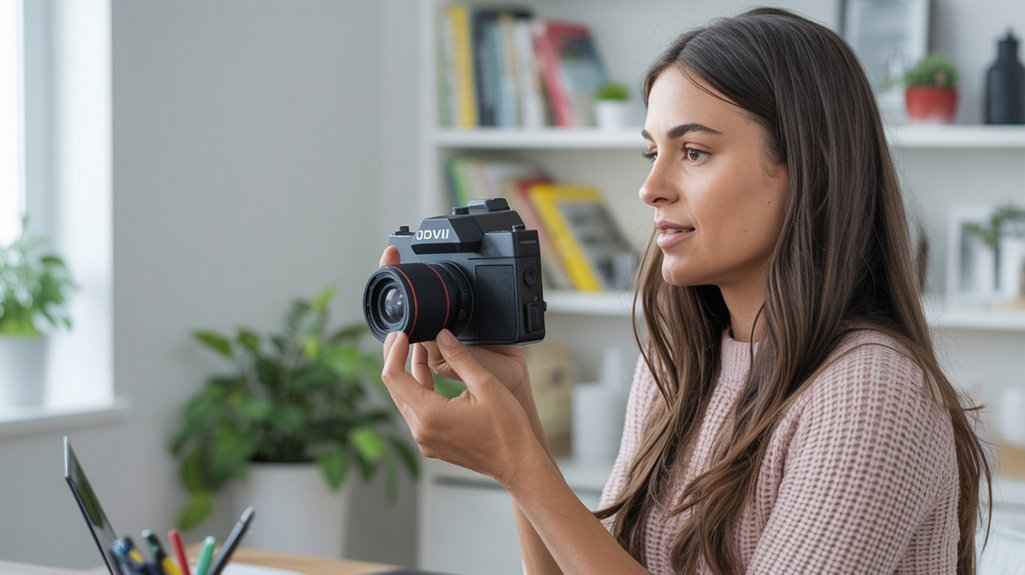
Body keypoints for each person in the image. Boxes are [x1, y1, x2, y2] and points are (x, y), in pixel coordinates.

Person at [378, 7, 990, 574]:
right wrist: (517, 416)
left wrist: (519, 464)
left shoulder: (873, 389)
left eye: (693, 151)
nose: (650, 187)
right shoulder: (679, 363)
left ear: (812, 164)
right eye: (652, 151)